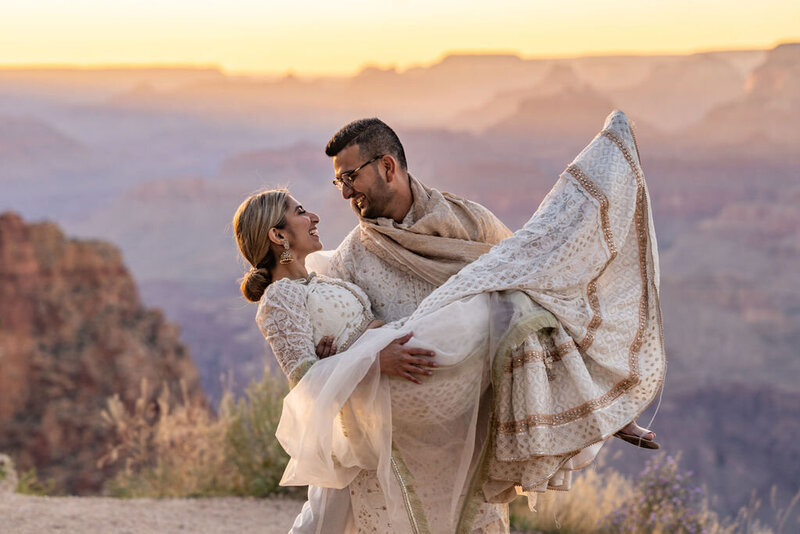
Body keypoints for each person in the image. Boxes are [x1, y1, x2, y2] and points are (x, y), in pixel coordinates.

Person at [233, 111, 665, 533]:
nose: (344, 193)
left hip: (464, 424)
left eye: (350, 177)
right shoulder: (351, 259)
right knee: (508, 295)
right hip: (398, 432)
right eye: (338, 181)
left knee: (519, 291)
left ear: (387, 167)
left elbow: (537, 290)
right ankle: (587, 190)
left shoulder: (469, 224)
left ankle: (593, 194)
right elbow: (317, 368)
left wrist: (604, 406)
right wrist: (344, 363)